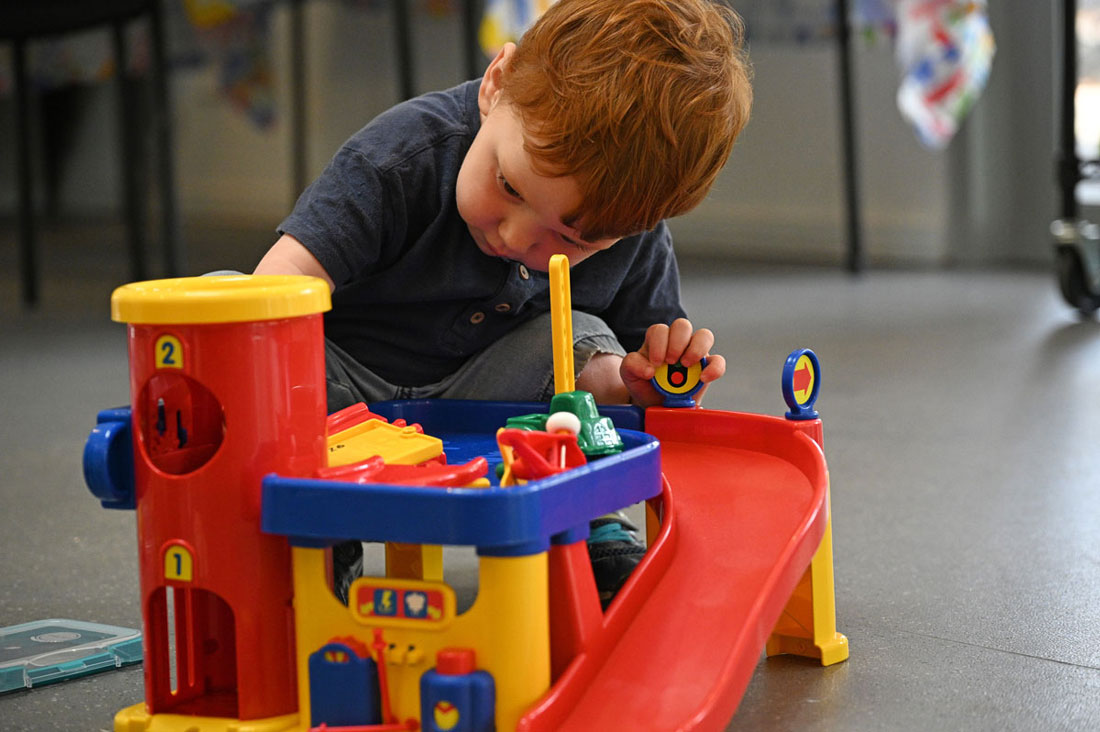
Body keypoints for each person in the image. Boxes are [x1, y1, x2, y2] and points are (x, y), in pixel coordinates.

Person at [254, 0, 753, 608]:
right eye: (509, 185)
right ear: (495, 85)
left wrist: (657, 383)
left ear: (638, 225)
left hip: (499, 407)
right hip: (344, 394)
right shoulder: (400, 157)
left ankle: (586, 519)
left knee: (589, 344)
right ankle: (320, 533)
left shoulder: (634, 236)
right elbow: (278, 284)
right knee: (250, 321)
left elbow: (643, 375)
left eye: (573, 240)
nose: (517, 239)